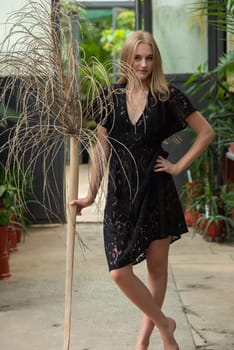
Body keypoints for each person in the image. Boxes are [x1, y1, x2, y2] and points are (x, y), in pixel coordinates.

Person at [70, 31, 215, 350]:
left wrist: (178, 167)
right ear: (126, 59)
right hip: (121, 194)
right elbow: (100, 149)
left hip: (156, 190)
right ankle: (166, 323)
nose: (144, 64)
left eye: (149, 57)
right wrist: (90, 195)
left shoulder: (167, 96)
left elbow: (206, 132)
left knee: (156, 269)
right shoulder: (109, 97)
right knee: (119, 272)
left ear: (156, 59)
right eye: (137, 57)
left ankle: (145, 340)